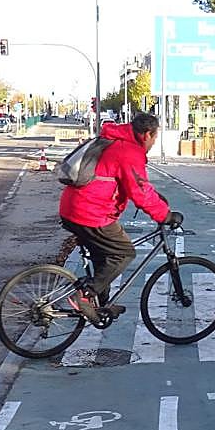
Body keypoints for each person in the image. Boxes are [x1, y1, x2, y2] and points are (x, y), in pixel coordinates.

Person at [59, 112, 182, 323]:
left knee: (104, 258)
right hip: (90, 212)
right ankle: (85, 297)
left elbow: (134, 184)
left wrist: (158, 200)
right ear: (146, 135)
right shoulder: (129, 151)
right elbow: (140, 192)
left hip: (74, 207)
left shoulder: (115, 140)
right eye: (155, 137)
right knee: (123, 253)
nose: (154, 142)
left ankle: (101, 306)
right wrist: (166, 215)